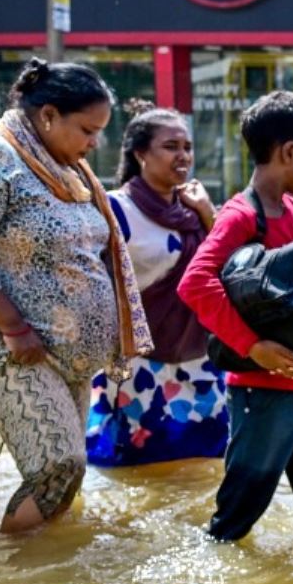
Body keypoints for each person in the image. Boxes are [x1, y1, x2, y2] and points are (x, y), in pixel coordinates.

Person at [0, 59, 151, 533]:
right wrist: (14, 327)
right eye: (87, 130)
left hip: (64, 355)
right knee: (58, 465)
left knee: (64, 477)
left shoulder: (71, 173)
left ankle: (45, 577)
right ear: (48, 116)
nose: (95, 144)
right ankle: (6, 579)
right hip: (6, 347)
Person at [177, 91, 293, 542]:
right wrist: (253, 347)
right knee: (235, 519)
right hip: (259, 392)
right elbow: (195, 283)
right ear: (288, 153)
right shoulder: (240, 217)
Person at [85, 102, 227, 466]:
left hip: (202, 363)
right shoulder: (116, 210)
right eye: (171, 147)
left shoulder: (196, 208)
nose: (182, 156)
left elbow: (229, 269)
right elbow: (90, 287)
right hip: (140, 368)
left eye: (187, 147)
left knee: (210, 464)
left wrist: (209, 215)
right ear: (140, 154)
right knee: (141, 466)